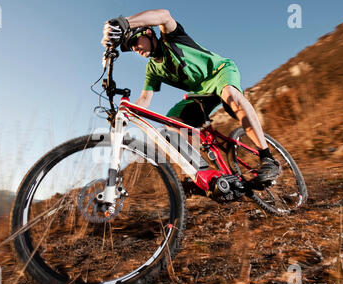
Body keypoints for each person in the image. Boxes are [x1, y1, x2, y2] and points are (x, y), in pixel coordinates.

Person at [101, 9, 281, 182]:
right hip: (201, 92)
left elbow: (164, 15)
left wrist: (125, 23)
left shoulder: (171, 39)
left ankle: (267, 158)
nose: (134, 49)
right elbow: (145, 100)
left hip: (220, 72)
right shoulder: (152, 69)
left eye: (134, 42)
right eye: (130, 47)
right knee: (171, 122)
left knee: (231, 95)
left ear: (148, 32)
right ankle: (199, 172)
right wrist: (122, 115)